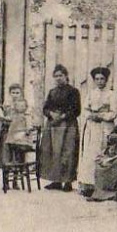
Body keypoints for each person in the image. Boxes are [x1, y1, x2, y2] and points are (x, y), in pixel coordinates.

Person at [39, 64, 82, 192]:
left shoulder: (73, 91)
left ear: (66, 76)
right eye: (56, 76)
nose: (58, 78)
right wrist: (51, 114)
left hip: (68, 125)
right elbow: (45, 108)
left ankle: (67, 181)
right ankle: (56, 181)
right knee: (54, 152)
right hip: (53, 126)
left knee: (68, 152)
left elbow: (76, 110)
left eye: (60, 76)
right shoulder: (52, 92)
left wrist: (63, 116)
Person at [77, 66, 116, 196]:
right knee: (89, 154)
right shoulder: (91, 93)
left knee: (101, 153)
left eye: (102, 79)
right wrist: (91, 115)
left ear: (106, 80)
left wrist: (101, 116)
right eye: (97, 79)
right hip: (92, 127)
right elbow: (85, 109)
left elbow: (113, 112)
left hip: (104, 126)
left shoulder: (111, 94)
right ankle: (88, 185)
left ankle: (101, 186)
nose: (100, 81)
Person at [0, 83, 33, 167]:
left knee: (18, 146)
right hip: (8, 128)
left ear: (21, 93)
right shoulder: (7, 104)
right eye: (13, 93)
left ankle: (19, 163)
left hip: (18, 129)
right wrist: (4, 118)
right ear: (10, 93)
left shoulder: (22, 104)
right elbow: (5, 114)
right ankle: (8, 163)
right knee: (7, 148)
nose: (15, 95)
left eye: (17, 93)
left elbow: (26, 116)